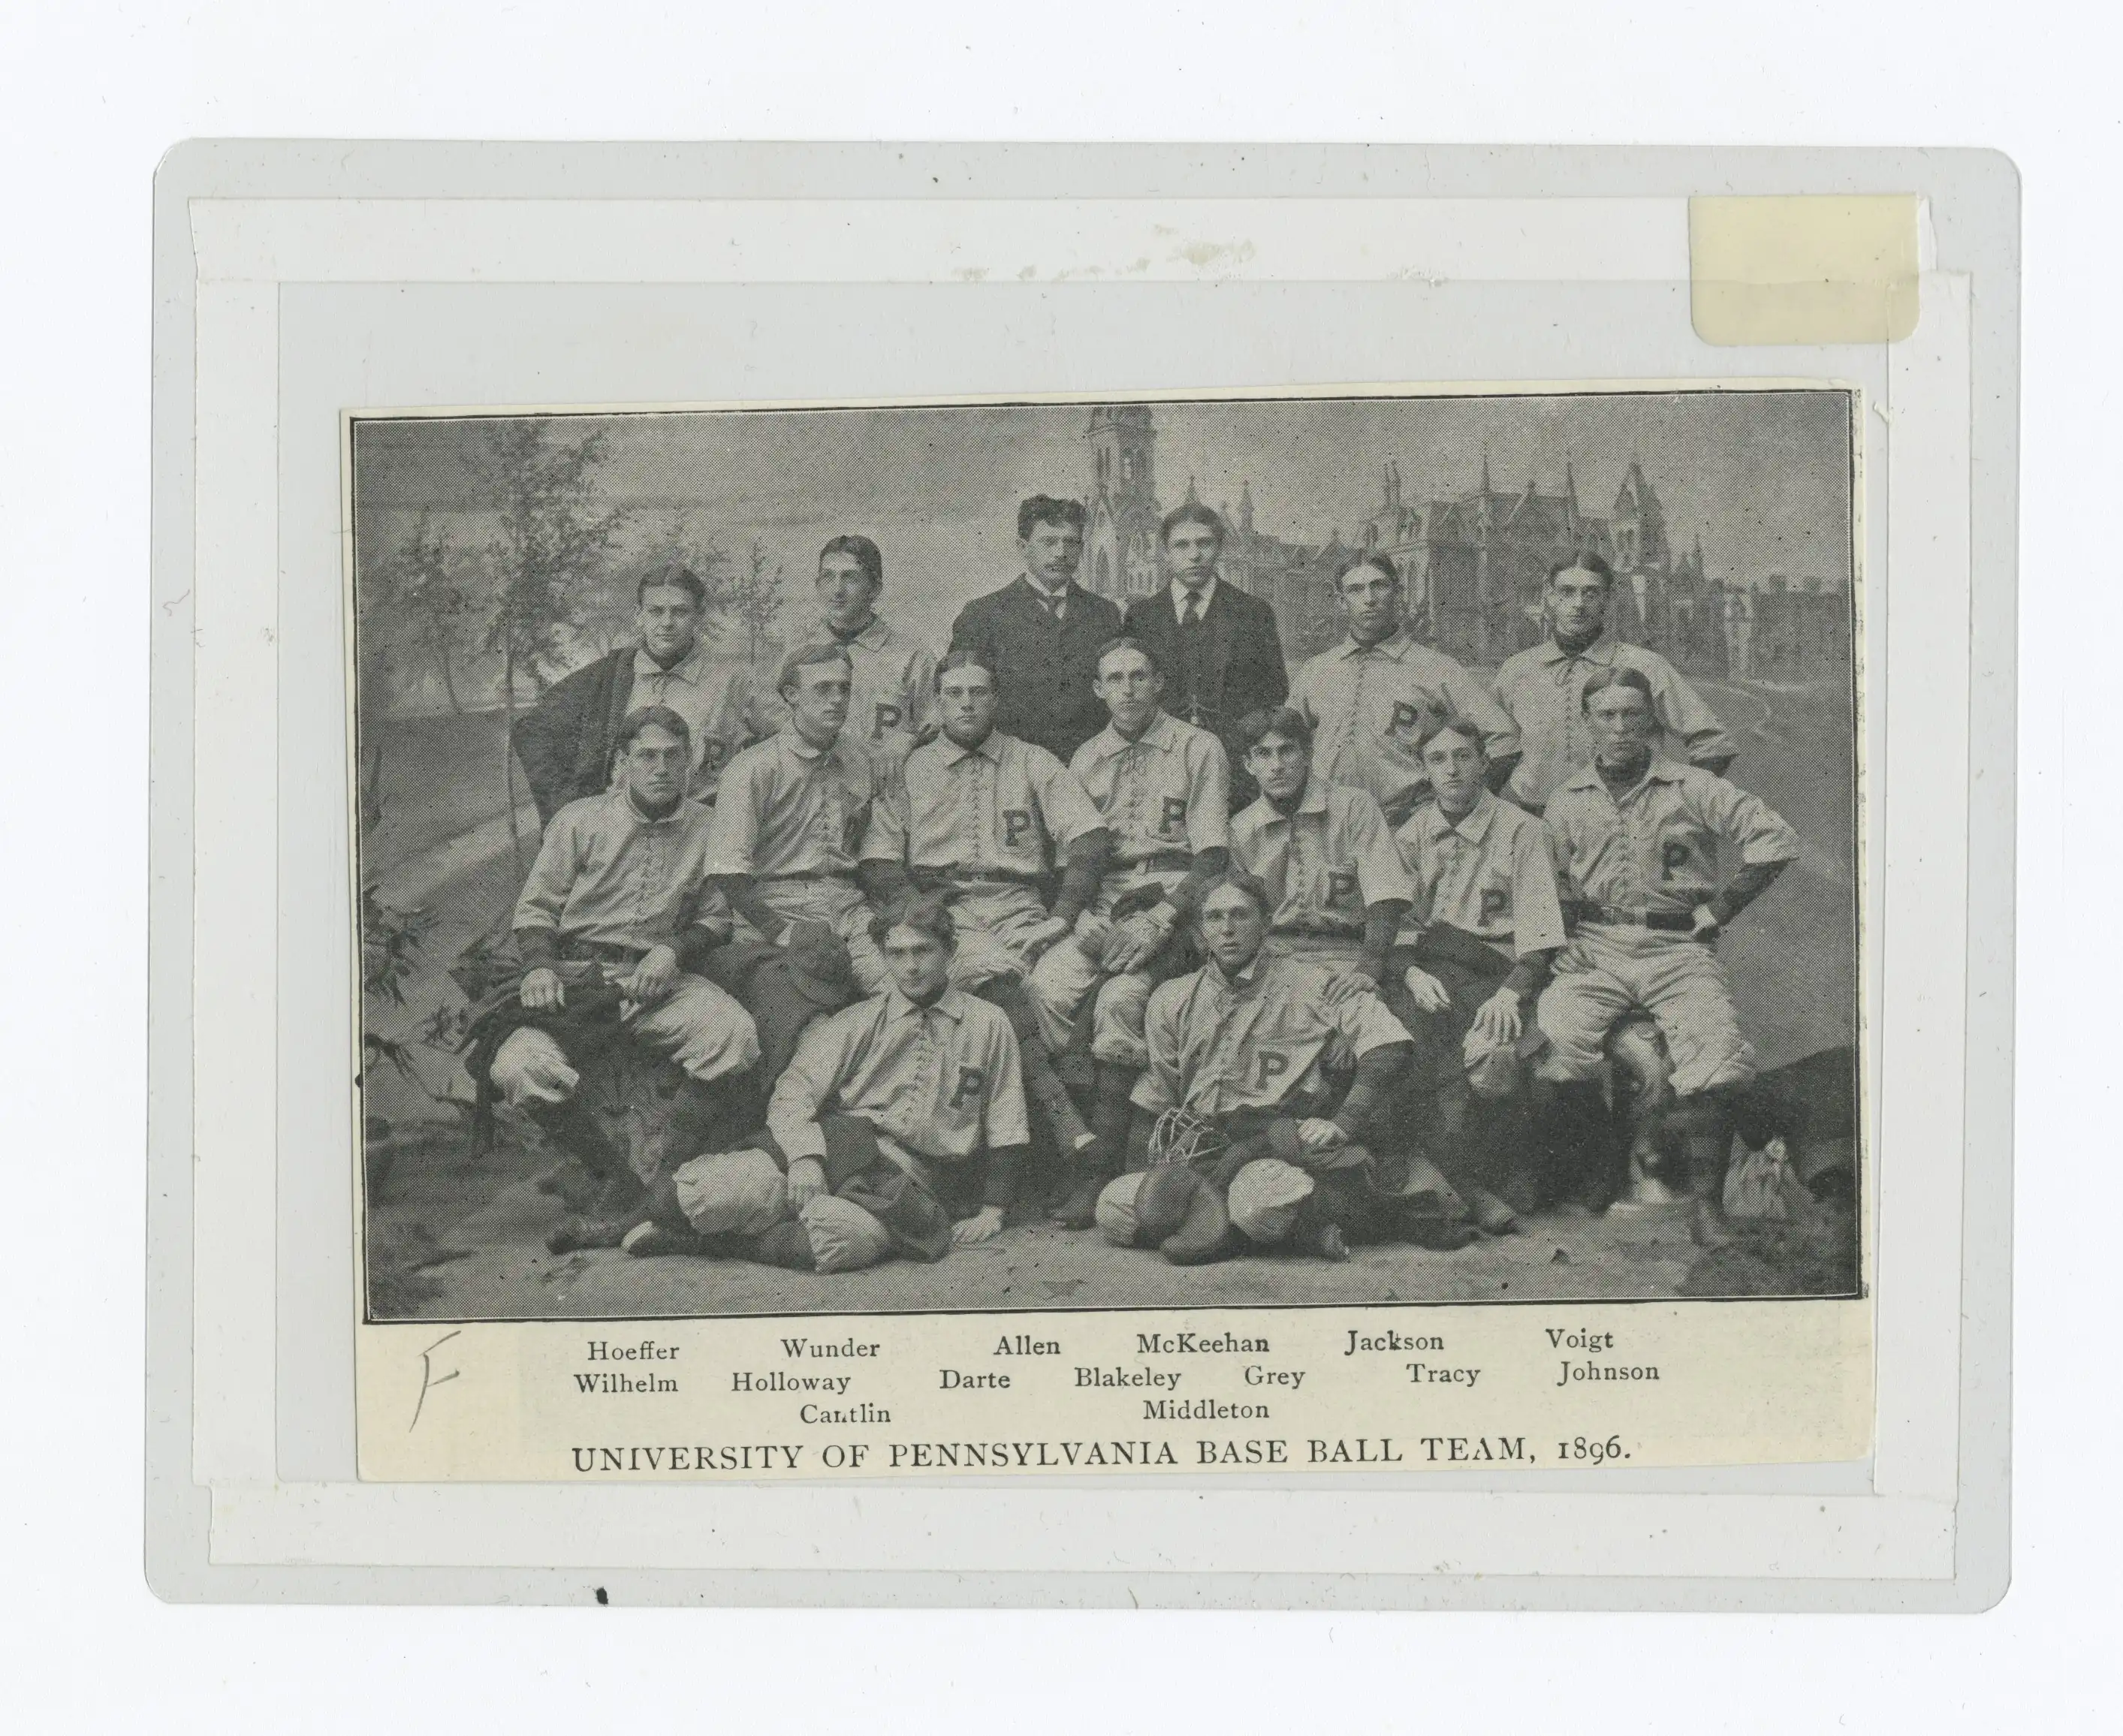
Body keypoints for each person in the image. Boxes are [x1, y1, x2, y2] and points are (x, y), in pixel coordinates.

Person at [475, 707, 762, 1250]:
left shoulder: (709, 826)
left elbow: (715, 917)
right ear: (622, 763)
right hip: (575, 978)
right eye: (646, 756)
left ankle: (663, 1184)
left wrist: (672, 953)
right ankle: (616, 1181)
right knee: (518, 1066)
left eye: (673, 756)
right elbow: (535, 911)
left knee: (733, 1035)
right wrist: (539, 965)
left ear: (689, 762)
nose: (660, 768)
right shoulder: (579, 820)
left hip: (653, 981)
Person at [1533, 665, 1801, 1245]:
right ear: (1587, 724)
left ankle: (1704, 1204)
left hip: (1675, 946)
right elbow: (1548, 885)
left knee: (1716, 1049)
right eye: (1606, 715)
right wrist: (1562, 943)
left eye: (1632, 714)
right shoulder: (1566, 799)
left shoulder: (1690, 786)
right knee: (1555, 1038)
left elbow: (1775, 838)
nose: (1620, 727)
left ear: (1651, 719)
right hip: (1597, 947)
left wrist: (1724, 907)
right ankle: (1605, 1163)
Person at [1096, 870, 1449, 1265]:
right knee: (1114, 1210)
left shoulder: (1311, 981)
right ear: (1198, 934)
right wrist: (1155, 1173)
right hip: (1205, 1144)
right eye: (1214, 918)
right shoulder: (1171, 997)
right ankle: (1276, 1229)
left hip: (1274, 1142)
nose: (1228, 929)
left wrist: (1343, 1123)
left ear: (1264, 924)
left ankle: (1235, 1229)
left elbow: (1389, 1043)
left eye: (1240, 916)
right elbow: (1160, 1091)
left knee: (1257, 1205)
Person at [858, 649, 1114, 1191]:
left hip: (1024, 907)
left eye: (977, 692)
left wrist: (1063, 914)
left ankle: (1044, 1156)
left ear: (995, 699)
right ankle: (1064, 1127)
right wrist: (922, 914)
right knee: (994, 980)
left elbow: (1088, 835)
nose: (966, 704)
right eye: (954, 694)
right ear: (938, 701)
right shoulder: (913, 766)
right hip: (948, 912)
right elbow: (879, 860)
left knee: (1056, 988)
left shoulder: (1032, 760)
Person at [1024, 637, 1232, 1226]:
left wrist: (1162, 920)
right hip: (1105, 900)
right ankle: (1076, 1143)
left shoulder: (1198, 747)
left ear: (1159, 682)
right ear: (1097, 689)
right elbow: (1073, 856)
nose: (1128, 690)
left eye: (1139, 677)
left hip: (1174, 900)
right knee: (1046, 987)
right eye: (1114, 679)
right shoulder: (1085, 757)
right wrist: (1082, 913)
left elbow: (1212, 856)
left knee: (1119, 1001)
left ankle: (1106, 1170)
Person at [765, 895, 1034, 1249]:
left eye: (923, 951)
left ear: (950, 951)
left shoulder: (988, 1023)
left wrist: (992, 1210)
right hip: (839, 1149)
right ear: (883, 957)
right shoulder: (858, 1020)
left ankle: (723, 1243)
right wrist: (804, 1157)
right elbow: (793, 1091)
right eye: (897, 954)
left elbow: (1006, 1119)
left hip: (914, 1179)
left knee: (844, 1238)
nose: (911, 967)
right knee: (726, 1190)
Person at [1389, 715, 1570, 1234]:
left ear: (1484, 763)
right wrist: (1410, 976)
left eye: (1463, 757)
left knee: (1492, 1054)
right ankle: (1455, 1187)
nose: (1451, 769)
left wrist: (1512, 993)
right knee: (1409, 1043)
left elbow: (1540, 933)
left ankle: (1488, 1178)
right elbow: (1398, 925)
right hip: (1431, 968)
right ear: (1424, 770)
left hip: (1497, 970)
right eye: (1438, 759)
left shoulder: (1523, 831)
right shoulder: (1413, 833)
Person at [703, 641, 895, 997]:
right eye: (824, 689)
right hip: (776, 913)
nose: (837, 699)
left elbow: (874, 855)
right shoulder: (753, 767)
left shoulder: (863, 758)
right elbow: (726, 873)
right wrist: (783, 932)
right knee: (808, 1009)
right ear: (791, 694)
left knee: (905, 991)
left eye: (844, 689)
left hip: (849, 909)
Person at [511, 565, 760, 822]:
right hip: (618, 835)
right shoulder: (610, 675)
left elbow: (787, 741)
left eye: (680, 612)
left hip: (696, 835)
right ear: (638, 615)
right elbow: (532, 731)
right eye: (655, 612)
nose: (667, 623)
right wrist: (570, 811)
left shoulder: (734, 680)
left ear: (699, 615)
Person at [1491, 553, 1738, 811]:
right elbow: (1489, 748)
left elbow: (1713, 743)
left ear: (1607, 598)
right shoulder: (1516, 670)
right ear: (1549, 596)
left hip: (1620, 825)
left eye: (1591, 593)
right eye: (1567, 591)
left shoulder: (1645, 665)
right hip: (1535, 825)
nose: (1578, 604)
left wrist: (1677, 806)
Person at [1289, 553, 1521, 826]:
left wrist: (1452, 803)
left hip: (1405, 826)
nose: (1370, 599)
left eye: (1379, 586)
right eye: (1356, 590)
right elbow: (1285, 741)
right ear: (1341, 602)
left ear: (1398, 593)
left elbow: (1506, 737)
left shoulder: (1436, 666)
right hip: (1329, 823)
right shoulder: (1317, 669)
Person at [1227, 706, 1412, 990]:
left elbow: (1385, 898)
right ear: (1249, 764)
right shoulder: (1241, 829)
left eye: (1287, 750)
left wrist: (1369, 968)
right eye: (1263, 754)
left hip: (1345, 956)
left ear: (1308, 754)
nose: (1276, 765)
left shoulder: (1354, 806)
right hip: (1272, 959)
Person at [1120, 503, 1289, 802]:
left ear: (1219, 546)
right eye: (1182, 545)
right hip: (1160, 770)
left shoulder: (1252, 612)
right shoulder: (1142, 617)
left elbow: (1274, 692)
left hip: (1235, 773)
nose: (1194, 555)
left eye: (1204, 543)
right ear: (1166, 551)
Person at [948, 496, 1124, 767]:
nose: (1061, 553)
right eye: (1049, 541)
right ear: (1023, 546)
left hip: (1092, 768)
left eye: (1071, 542)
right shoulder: (982, 615)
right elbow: (959, 699)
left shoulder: (1105, 615)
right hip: (1010, 769)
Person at [755, 535, 938, 767]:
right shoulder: (797, 650)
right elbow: (767, 715)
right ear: (817, 585)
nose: (837, 590)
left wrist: (910, 739)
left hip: (887, 789)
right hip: (814, 785)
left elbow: (939, 725)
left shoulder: (913, 655)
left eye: (850, 578)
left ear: (874, 589)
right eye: (828, 577)